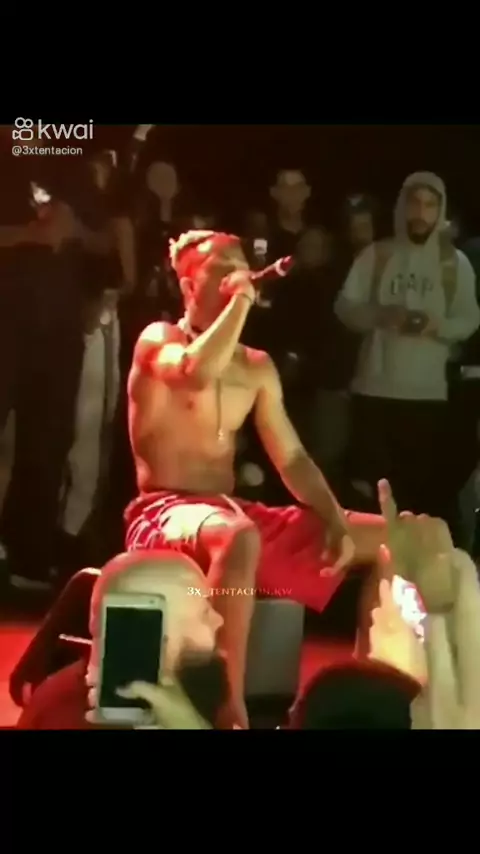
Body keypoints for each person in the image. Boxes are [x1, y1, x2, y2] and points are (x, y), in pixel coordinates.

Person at [124, 228, 443, 729]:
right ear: (187, 286)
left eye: (239, 265)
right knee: (237, 537)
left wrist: (334, 518)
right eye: (220, 268)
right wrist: (240, 301)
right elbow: (195, 372)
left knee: (396, 538)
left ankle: (369, 697)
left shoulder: (255, 366)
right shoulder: (159, 339)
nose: (235, 274)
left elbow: (292, 458)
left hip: (230, 513)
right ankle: (228, 710)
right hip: (165, 512)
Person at [335, 172, 480, 522]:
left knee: (417, 498)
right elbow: (344, 307)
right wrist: (380, 315)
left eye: (430, 205)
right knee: (370, 496)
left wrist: (437, 326)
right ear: (402, 206)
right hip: (374, 391)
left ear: (440, 211)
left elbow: (469, 318)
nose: (421, 212)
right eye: (415, 202)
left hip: (427, 397)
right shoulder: (377, 255)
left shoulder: (454, 264)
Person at [17, 551, 226, 730]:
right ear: (152, 634)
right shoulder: (76, 719)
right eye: (204, 613)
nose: (219, 620)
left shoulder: (165, 697)